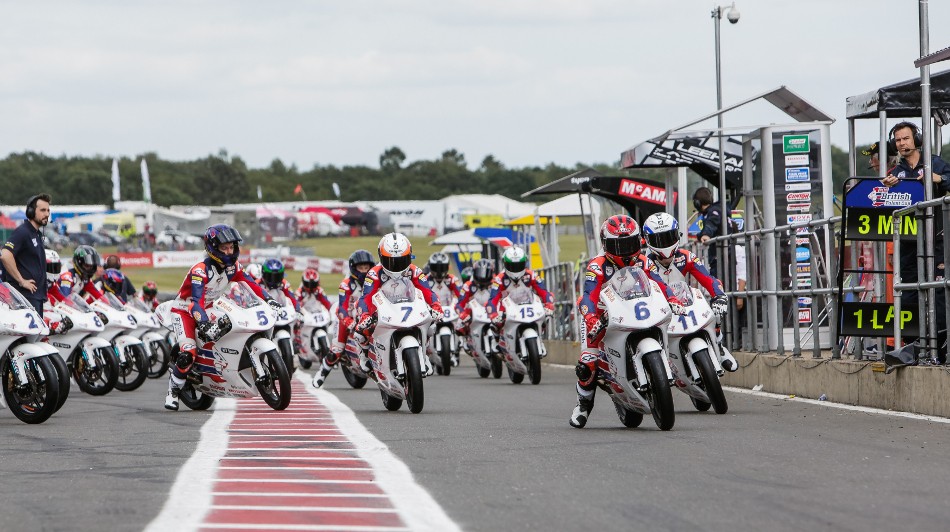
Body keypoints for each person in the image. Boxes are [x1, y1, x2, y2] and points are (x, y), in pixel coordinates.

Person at [569, 214, 686, 429]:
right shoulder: (597, 265)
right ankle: (583, 405)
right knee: (587, 364)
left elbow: (659, 283)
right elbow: (587, 296)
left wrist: (672, 299)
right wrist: (591, 317)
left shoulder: (644, 260)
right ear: (606, 244)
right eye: (618, 245)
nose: (624, 251)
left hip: (635, 309)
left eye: (629, 243)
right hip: (602, 316)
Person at [164, 224, 279, 411]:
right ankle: (173, 390)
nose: (229, 251)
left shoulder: (233, 267)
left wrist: (269, 299)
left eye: (231, 247)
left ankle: (219, 364)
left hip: (209, 306)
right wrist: (203, 322)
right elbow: (196, 302)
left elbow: (251, 284)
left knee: (229, 323)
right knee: (188, 352)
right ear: (213, 248)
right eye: (224, 248)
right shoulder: (200, 270)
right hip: (185, 310)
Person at [881, 121, 950, 363]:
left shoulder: (935, 163)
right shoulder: (895, 173)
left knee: (940, 292)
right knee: (909, 294)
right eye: (898, 140)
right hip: (908, 243)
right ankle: (915, 345)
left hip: (936, 240)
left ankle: (941, 345)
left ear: (916, 139)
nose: (902, 143)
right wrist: (886, 189)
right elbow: (881, 204)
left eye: (906, 138)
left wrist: (938, 178)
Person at [642, 212, 738, 372]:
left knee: (715, 309)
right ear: (648, 240)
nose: (665, 243)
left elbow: (708, 279)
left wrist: (719, 295)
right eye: (659, 239)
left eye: (669, 237)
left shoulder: (686, 257)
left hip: (682, 303)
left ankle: (719, 345)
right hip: (656, 308)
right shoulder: (643, 262)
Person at [352, 233, 442, 372]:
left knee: (431, 325)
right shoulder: (373, 273)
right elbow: (366, 297)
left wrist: (436, 306)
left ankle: (424, 353)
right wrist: (365, 315)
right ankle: (364, 354)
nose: (396, 265)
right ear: (381, 257)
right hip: (383, 308)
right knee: (360, 331)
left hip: (409, 305)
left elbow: (428, 292)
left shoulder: (415, 271)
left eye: (401, 260)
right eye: (390, 261)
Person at [311, 250, 375, 388]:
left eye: (367, 267)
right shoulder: (346, 285)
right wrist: (349, 322)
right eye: (361, 267)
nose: (364, 271)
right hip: (348, 318)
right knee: (337, 350)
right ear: (353, 268)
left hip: (368, 317)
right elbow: (342, 309)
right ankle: (322, 372)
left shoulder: (376, 281)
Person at [1, 194, 51, 315]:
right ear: (31, 212)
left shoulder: (36, 234)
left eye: (48, 210)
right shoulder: (23, 232)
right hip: (24, 298)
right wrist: (22, 281)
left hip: (36, 297)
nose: (47, 214)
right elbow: (5, 255)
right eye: (43, 210)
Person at [487, 246, 555, 331]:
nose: (516, 269)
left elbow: (544, 292)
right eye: (512, 266)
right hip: (507, 311)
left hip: (530, 308)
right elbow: (493, 299)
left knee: (544, 322)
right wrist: (493, 314)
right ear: (505, 264)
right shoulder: (499, 279)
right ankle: (498, 337)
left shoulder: (531, 275)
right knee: (496, 328)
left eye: (519, 265)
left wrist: (549, 304)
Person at [455, 258, 495, 351]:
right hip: (474, 311)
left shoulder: (495, 284)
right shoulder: (468, 285)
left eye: (486, 273)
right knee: (460, 325)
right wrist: (462, 314)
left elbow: (502, 298)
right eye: (480, 272)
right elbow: (460, 304)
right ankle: (465, 338)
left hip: (492, 311)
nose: (483, 276)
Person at [693, 187, 723, 278]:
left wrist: (706, 234)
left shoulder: (713, 212)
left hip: (721, 256)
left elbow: (711, 224)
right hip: (718, 256)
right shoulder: (711, 212)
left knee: (718, 282)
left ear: (697, 203)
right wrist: (700, 237)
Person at [42, 249, 72, 334]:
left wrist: (73, 311)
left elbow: (63, 299)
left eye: (56, 267)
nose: (54, 270)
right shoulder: (36, 282)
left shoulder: (52, 284)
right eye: (50, 267)